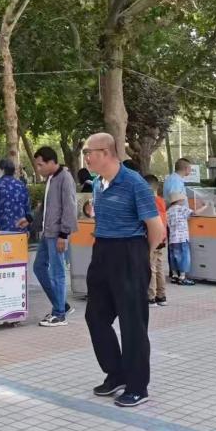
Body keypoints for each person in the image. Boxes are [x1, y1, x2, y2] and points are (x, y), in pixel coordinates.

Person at [82, 133, 165, 408]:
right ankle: (116, 373)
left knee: (132, 323)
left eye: (89, 152)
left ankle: (137, 386)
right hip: (102, 252)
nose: (86, 157)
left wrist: (141, 255)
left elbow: (156, 228)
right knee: (95, 317)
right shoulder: (98, 183)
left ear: (106, 152)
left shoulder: (133, 183)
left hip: (130, 252)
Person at [31, 147, 78, 327]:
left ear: (51, 162)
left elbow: (70, 207)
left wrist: (63, 234)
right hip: (47, 232)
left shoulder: (65, 178)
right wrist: (30, 219)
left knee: (57, 272)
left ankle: (59, 314)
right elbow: (46, 206)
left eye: (40, 165)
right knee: (39, 267)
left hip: (58, 233)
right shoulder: (51, 178)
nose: (38, 169)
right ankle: (62, 305)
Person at [144, 174, 168, 308]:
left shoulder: (148, 203)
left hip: (152, 238)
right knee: (159, 267)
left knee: (151, 268)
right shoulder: (161, 201)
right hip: (162, 238)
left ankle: (150, 297)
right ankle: (161, 296)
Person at [0, 158, 31, 232]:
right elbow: (27, 207)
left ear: (2, 170)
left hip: (1, 228)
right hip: (21, 227)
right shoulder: (21, 185)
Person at [166, 191, 196, 286]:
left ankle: (174, 276)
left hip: (172, 238)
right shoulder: (182, 209)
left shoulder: (168, 211)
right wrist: (206, 206)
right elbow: (194, 213)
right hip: (182, 237)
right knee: (184, 257)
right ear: (179, 200)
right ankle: (182, 277)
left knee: (174, 257)